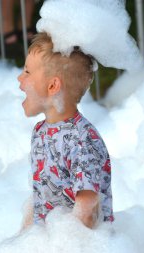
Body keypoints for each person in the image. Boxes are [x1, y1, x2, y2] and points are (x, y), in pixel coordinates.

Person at [18, 32, 113, 230]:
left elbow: (87, 211)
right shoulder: (41, 131)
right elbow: (40, 199)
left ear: (53, 86)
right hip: (49, 239)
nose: (20, 78)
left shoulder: (82, 141)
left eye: (27, 72)